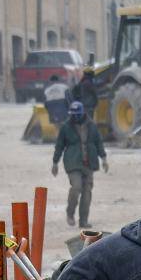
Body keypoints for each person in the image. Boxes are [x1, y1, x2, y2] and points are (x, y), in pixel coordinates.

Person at [51, 97, 108, 226]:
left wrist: (104, 158)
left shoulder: (92, 125)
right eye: (73, 115)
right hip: (73, 163)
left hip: (89, 163)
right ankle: (70, 213)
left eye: (77, 115)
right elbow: (59, 145)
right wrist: (55, 162)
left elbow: (98, 142)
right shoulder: (66, 127)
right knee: (76, 187)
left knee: (87, 193)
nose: (75, 117)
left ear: (82, 113)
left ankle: (83, 221)